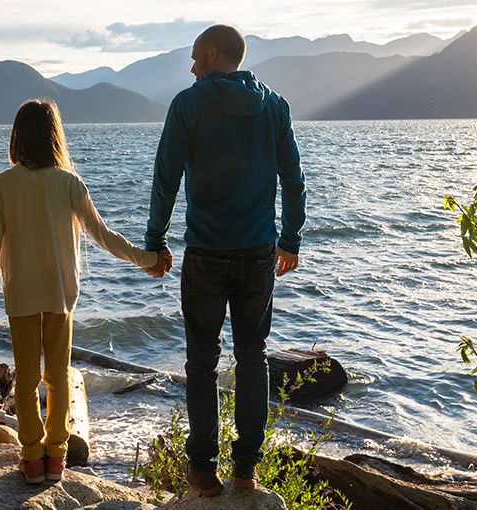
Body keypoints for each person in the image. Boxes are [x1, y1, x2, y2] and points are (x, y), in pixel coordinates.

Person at [143, 24, 307, 496]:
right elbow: (294, 179)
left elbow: (165, 178)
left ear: (214, 54)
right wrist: (290, 239)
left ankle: (202, 469)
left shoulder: (188, 104)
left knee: (202, 361)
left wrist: (155, 238)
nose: (193, 68)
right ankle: (247, 468)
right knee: (252, 357)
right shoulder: (274, 106)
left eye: (196, 58)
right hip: (258, 253)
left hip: (207, 254)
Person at [0, 99, 161, 484]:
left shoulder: (4, 184)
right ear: (54, 137)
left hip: (22, 294)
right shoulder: (68, 182)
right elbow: (104, 236)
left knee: (26, 379)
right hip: (61, 294)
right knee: (57, 376)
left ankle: (31, 458)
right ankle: (56, 457)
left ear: (17, 138)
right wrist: (146, 259)